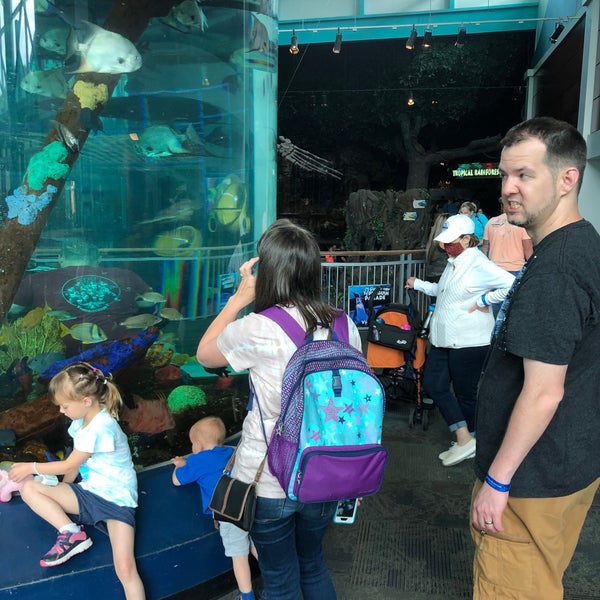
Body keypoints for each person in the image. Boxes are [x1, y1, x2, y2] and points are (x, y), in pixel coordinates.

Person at [195, 218, 362, 600]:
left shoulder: (257, 327)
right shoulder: (343, 324)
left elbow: (205, 355)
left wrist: (240, 297)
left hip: (271, 478)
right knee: (313, 564)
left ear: (267, 272)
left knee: (280, 579)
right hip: (326, 472)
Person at [471, 117, 600, 599]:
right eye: (505, 175)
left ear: (568, 179)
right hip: (569, 463)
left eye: (524, 175)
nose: (508, 188)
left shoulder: (557, 269)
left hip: (530, 482)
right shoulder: (585, 244)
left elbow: (544, 392)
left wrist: (498, 482)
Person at [8, 362, 145, 600]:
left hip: (117, 502)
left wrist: (31, 466)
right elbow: (76, 462)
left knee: (125, 567)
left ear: (86, 402)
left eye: (64, 405)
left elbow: (69, 465)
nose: (61, 410)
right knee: (31, 487)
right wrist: (63, 488)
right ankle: (71, 533)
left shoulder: (102, 426)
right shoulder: (81, 422)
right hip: (89, 493)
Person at [405, 214, 514, 467]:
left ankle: (469, 441)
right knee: (434, 385)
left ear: (467, 238)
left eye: (450, 241)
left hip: (469, 342)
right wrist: (419, 284)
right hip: (444, 340)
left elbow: (511, 283)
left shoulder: (476, 262)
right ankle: (465, 438)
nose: (445, 246)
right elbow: (443, 292)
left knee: (465, 394)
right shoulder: (454, 261)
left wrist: (483, 301)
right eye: (443, 242)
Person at [171, 416, 258, 600]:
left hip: (228, 516)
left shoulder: (197, 461)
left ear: (199, 444)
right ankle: (278, 576)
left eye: (192, 444)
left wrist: (180, 465)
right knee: (256, 545)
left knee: (239, 557)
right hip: (248, 507)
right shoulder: (231, 452)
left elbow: (177, 480)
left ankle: (247, 596)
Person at [10, 240, 151, 344]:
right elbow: (149, 303)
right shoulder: (125, 275)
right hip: (125, 347)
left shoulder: (36, 279)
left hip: (62, 355)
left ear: (60, 258)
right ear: (99, 258)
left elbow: (12, 309)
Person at [482, 199, 533, 275]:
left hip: (494, 269)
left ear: (502, 207)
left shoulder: (491, 222)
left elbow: (485, 248)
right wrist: (531, 267)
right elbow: (527, 248)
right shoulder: (521, 223)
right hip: (516, 268)